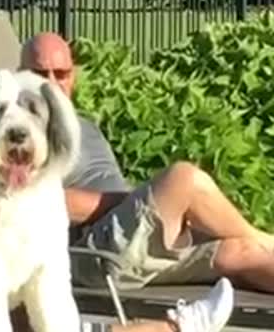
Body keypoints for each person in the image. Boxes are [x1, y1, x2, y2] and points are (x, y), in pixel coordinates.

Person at [19, 32, 274, 294]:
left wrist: (148, 202)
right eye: (40, 74)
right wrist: (144, 199)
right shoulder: (25, 135)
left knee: (241, 252)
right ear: (20, 76)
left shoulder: (81, 124)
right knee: (183, 179)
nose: (51, 84)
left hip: (132, 239)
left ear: (73, 75)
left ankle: (261, 244)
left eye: (61, 74)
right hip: (95, 252)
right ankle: (267, 240)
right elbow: (51, 203)